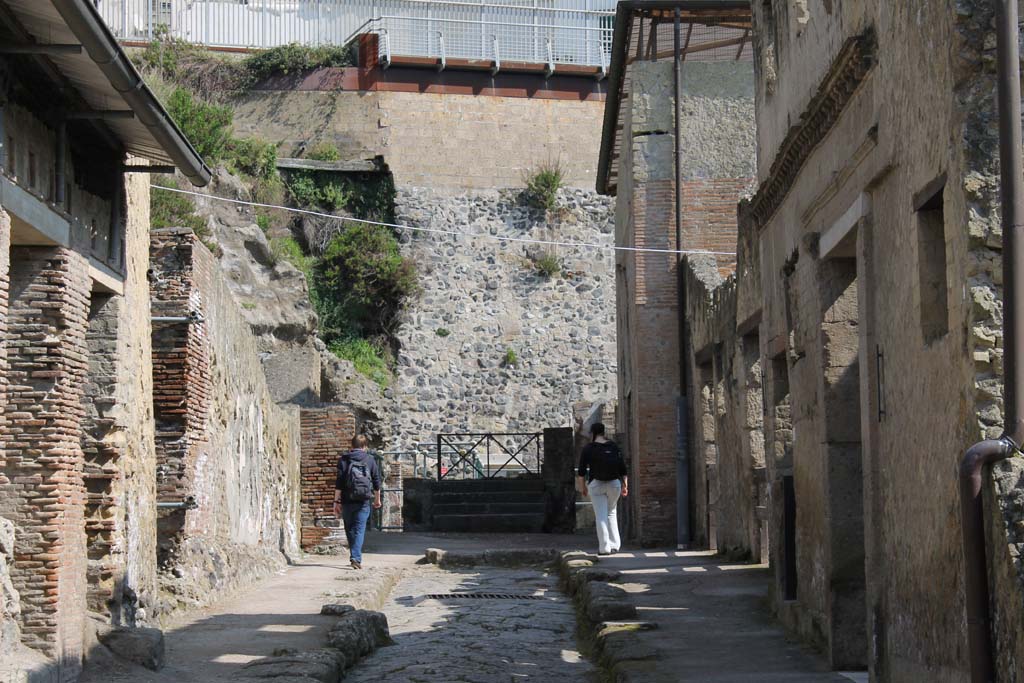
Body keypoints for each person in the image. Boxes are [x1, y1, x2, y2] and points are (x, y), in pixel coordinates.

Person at [577, 423, 628, 556]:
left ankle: (604, 548)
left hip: (597, 484)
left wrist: (583, 488)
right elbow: (623, 469)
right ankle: (615, 545)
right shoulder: (613, 446)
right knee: (611, 512)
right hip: (614, 484)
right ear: (603, 432)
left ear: (592, 433)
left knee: (601, 515)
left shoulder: (588, 448)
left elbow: (581, 472)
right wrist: (625, 486)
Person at [333, 435, 382, 569]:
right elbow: (376, 481)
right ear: (365, 446)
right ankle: (356, 557)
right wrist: (377, 499)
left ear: (352, 446)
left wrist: (336, 502)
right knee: (359, 529)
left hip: (347, 500)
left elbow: (339, 483)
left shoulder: (344, 459)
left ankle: (354, 556)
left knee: (349, 529)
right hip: (364, 500)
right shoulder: (370, 459)